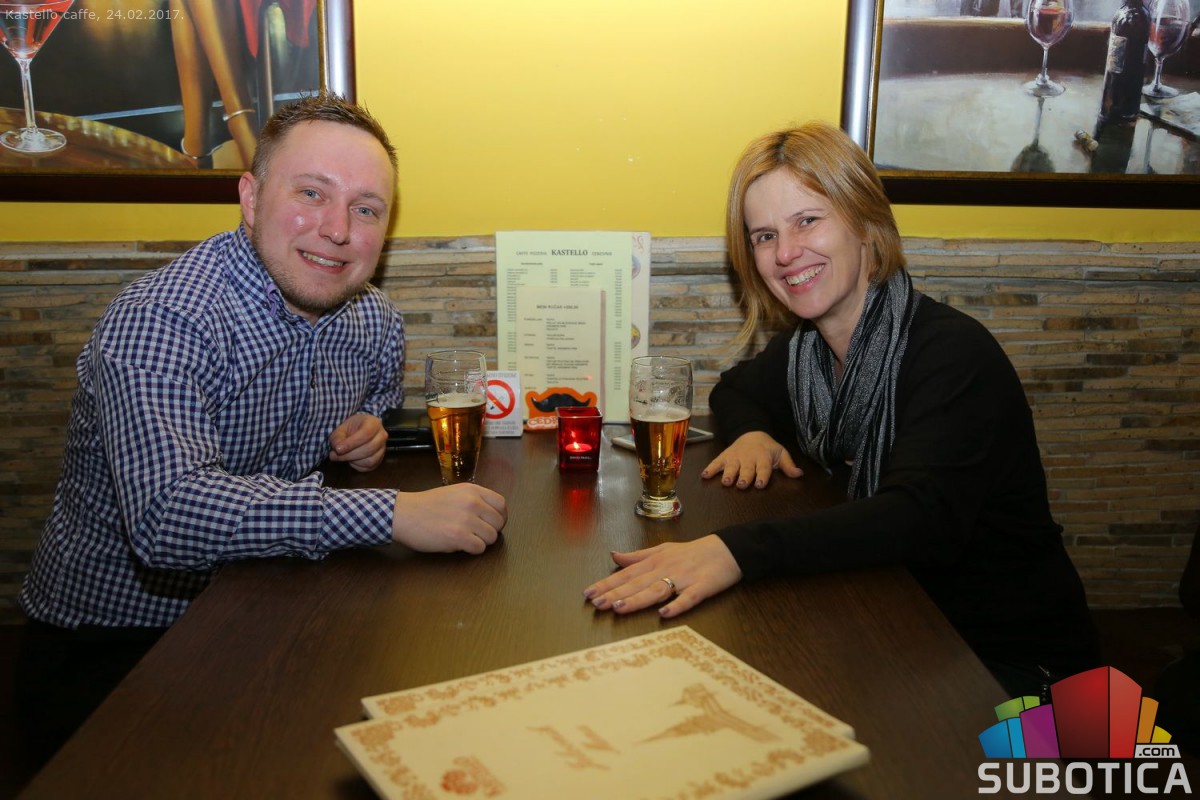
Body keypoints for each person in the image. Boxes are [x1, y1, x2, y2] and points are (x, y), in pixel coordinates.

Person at [16, 93, 507, 768]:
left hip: (273, 607)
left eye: (366, 208)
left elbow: (379, 403)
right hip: (115, 642)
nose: (338, 229)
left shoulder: (374, 320)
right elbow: (167, 516)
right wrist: (393, 512)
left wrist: (368, 432)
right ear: (250, 198)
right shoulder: (163, 318)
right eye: (312, 193)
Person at [584, 122, 1098, 697]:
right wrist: (753, 433)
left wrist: (734, 551)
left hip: (1012, 667)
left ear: (865, 222)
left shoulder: (954, 354)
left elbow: (917, 519)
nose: (785, 253)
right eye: (764, 236)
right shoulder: (806, 352)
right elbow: (734, 390)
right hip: (896, 628)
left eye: (807, 220)